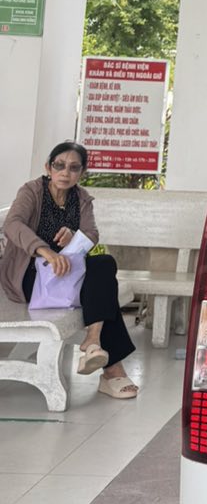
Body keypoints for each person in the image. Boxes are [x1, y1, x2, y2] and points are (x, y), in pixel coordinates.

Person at [0, 141, 138, 399]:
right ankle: (111, 370)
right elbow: (13, 224)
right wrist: (46, 251)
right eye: (59, 165)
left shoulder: (81, 198)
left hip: (68, 275)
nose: (65, 173)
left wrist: (75, 235)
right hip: (30, 275)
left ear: (81, 172)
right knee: (103, 289)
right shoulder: (32, 191)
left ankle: (94, 340)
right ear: (48, 167)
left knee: (104, 265)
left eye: (74, 168)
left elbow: (91, 233)